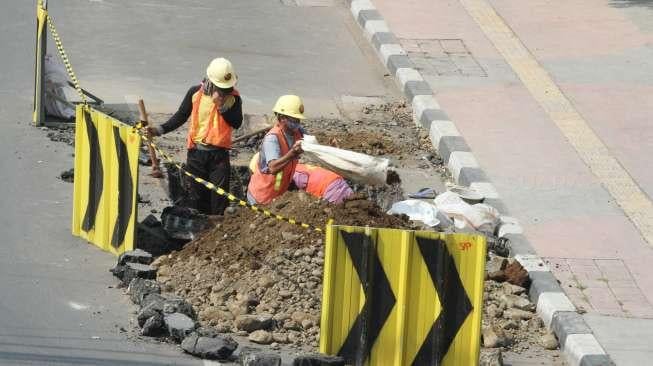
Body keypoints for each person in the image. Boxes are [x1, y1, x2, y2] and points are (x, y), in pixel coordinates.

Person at [148, 57, 242, 215]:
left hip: (219, 157)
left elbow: (237, 122)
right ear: (210, 81)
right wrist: (159, 130)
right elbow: (181, 115)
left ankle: (217, 231)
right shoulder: (195, 93)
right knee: (196, 197)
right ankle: (198, 234)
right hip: (196, 155)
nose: (225, 90)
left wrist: (220, 105)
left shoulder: (233, 98)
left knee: (219, 198)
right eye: (221, 87)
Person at [247, 95, 305, 205]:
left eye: (299, 119)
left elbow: (313, 146)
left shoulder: (299, 132)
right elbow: (273, 167)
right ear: (282, 118)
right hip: (262, 197)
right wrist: (292, 153)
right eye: (294, 119)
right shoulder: (272, 139)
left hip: (279, 195)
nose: (297, 122)